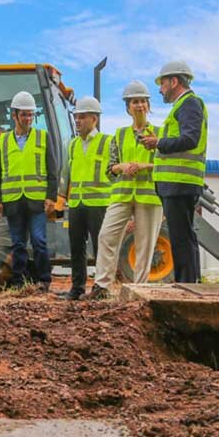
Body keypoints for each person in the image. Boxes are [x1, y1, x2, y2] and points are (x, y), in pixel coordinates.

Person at [85, 81, 163, 300]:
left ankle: (139, 290)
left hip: (149, 197)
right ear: (128, 107)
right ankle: (102, 286)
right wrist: (123, 167)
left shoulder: (159, 134)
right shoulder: (118, 135)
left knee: (144, 245)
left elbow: (166, 165)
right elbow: (111, 168)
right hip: (121, 195)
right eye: (134, 102)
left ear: (148, 105)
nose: (138, 105)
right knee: (106, 236)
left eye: (142, 101)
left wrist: (144, 166)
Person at [140, 61, 207, 283]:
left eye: (162, 83)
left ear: (174, 81)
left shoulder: (189, 104)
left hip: (180, 183)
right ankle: (190, 284)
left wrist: (158, 142)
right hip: (177, 183)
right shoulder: (184, 106)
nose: (160, 89)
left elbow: (189, 139)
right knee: (184, 237)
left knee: (181, 238)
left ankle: (186, 286)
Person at [0, 91, 58, 291]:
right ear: (14, 115)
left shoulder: (42, 138)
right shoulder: (2, 141)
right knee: (18, 243)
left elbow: (52, 169)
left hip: (36, 200)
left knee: (39, 241)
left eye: (31, 115)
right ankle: (19, 281)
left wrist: (51, 197)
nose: (28, 119)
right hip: (12, 201)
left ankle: (43, 281)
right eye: (24, 115)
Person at [59, 96, 111, 300]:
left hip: (100, 204)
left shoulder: (107, 142)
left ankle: (101, 288)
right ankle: (77, 288)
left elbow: (114, 173)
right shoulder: (72, 145)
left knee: (101, 248)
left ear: (94, 119)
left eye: (82, 117)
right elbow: (67, 174)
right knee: (76, 248)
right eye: (76, 117)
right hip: (77, 204)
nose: (77, 121)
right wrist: (62, 196)